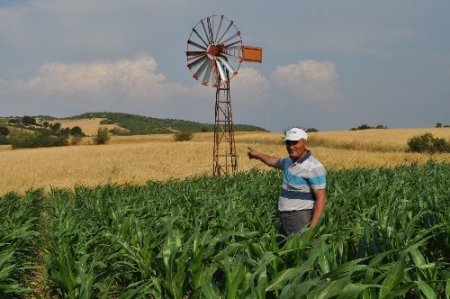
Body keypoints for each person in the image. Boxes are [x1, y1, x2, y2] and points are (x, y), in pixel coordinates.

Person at [247, 128, 327, 236]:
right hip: (286, 217)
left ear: (305, 143)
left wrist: (312, 229)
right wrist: (257, 155)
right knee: (287, 249)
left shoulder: (313, 167)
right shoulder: (288, 161)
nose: (291, 146)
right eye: (288, 143)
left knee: (299, 250)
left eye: (295, 142)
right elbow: (273, 161)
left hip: (300, 217)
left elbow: (321, 198)